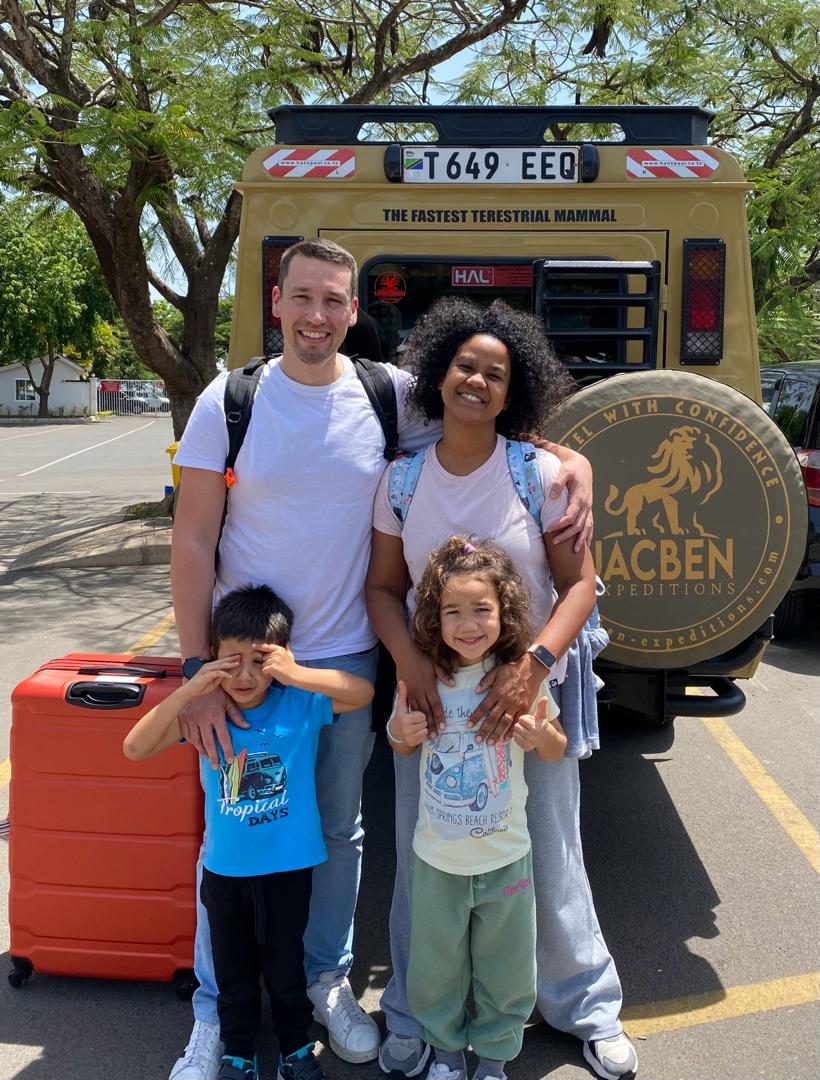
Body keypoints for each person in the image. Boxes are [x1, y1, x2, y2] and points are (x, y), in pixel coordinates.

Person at [169, 238, 593, 1080]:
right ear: (277, 303)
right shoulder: (231, 400)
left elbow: (489, 414)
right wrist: (196, 675)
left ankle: (327, 981)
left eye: (335, 300)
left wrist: (570, 456)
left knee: (337, 829)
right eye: (303, 298)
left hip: (350, 660)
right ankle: (215, 1014)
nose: (317, 316)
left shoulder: (387, 392)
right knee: (230, 835)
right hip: (249, 671)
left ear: (354, 311)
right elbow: (191, 536)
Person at [365, 297, 639, 1080]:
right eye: (464, 366)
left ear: (513, 391)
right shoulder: (401, 480)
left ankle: (584, 1004)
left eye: (496, 372)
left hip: (528, 695)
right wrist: (409, 666)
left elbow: (581, 586)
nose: (477, 381)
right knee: (425, 861)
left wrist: (534, 667)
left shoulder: (541, 473)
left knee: (548, 852)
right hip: (431, 695)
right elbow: (383, 590)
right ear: (438, 373)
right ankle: (419, 1016)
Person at [123, 585, 374, 1080]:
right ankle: (237, 1051)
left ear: (279, 658)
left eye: (259, 660)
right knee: (233, 972)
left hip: (288, 870)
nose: (244, 674)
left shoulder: (299, 705)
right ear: (213, 656)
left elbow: (361, 693)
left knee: (285, 969)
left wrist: (296, 672)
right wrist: (191, 689)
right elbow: (135, 747)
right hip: (226, 873)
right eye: (230, 659)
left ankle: (294, 1050)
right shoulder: (203, 716)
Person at [389, 536, 570, 1080]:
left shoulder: (519, 680)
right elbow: (400, 742)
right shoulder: (426, 680)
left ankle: (493, 1058)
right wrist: (401, 730)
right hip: (437, 862)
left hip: (506, 859)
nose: (468, 624)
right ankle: (445, 1054)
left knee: (507, 970)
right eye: (453, 612)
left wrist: (540, 736)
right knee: (434, 970)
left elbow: (557, 746)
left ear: (505, 611)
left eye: (481, 610)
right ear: (433, 618)